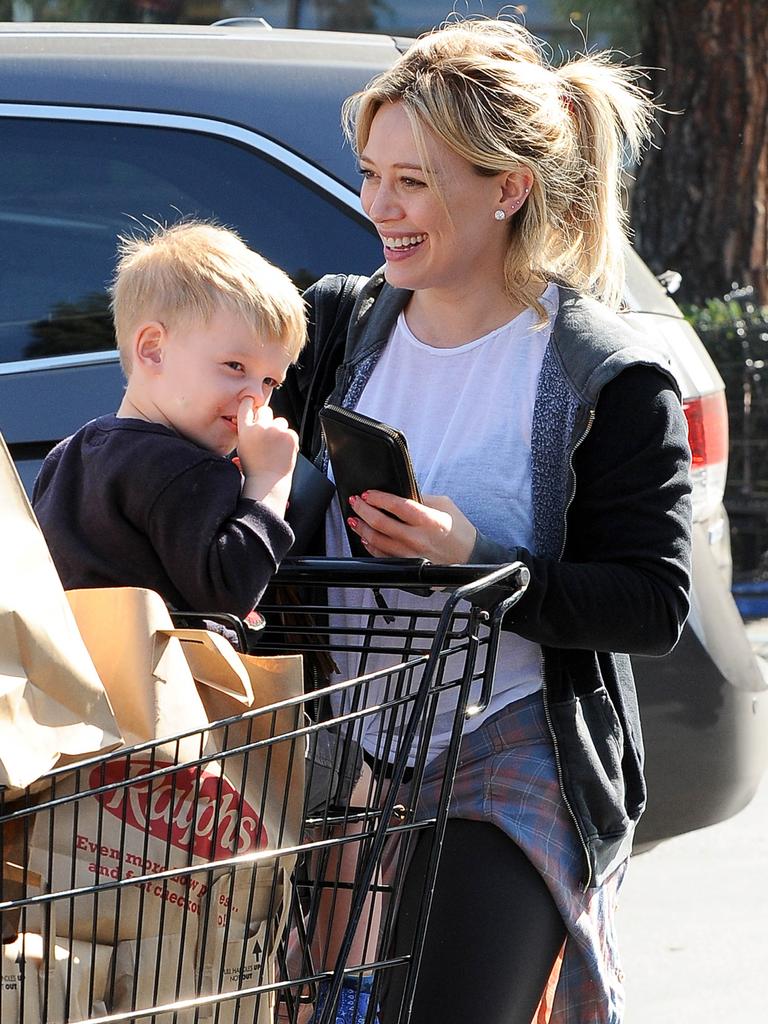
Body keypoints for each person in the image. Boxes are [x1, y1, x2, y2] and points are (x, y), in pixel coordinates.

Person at [274, 18, 693, 1024]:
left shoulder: (606, 375)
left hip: (513, 746)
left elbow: (652, 602)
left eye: (412, 181)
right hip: (347, 747)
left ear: (507, 189)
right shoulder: (335, 326)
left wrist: (476, 560)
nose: (379, 205)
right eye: (373, 173)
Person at [32, 221, 304, 621]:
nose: (254, 396)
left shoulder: (68, 454)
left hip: (75, 675)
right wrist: (269, 482)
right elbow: (229, 595)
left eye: (269, 381)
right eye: (234, 366)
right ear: (153, 350)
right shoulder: (187, 469)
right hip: (159, 678)